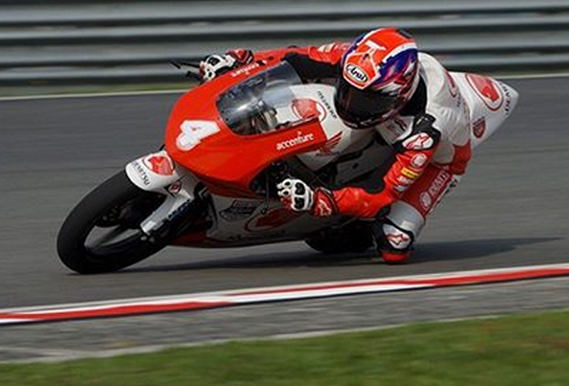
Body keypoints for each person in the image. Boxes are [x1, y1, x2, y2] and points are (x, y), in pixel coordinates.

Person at [199, 28, 478, 263]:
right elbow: (295, 57)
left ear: (398, 96)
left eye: (366, 101)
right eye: (347, 90)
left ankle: (353, 222)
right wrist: (242, 60)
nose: (351, 104)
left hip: (440, 162)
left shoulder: (424, 131)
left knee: (395, 245)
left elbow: (381, 193)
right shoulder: (359, 61)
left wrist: (319, 201)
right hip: (387, 122)